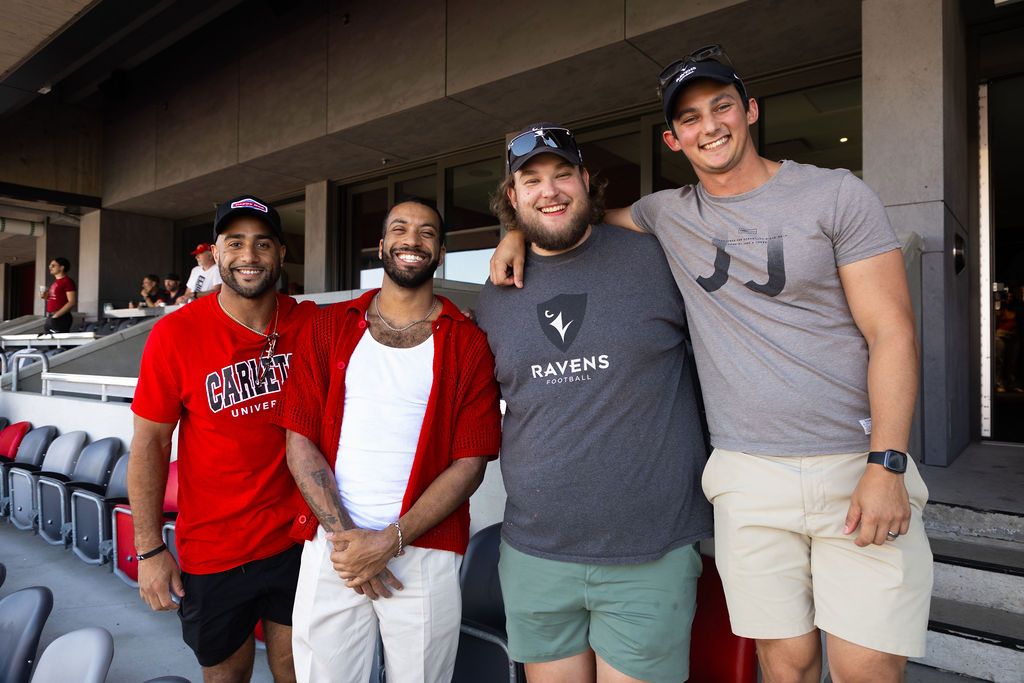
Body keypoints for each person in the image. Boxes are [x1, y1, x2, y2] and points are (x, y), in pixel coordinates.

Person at [490, 47, 930, 683]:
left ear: (749, 111)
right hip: (746, 474)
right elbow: (573, 223)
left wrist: (888, 461)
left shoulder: (834, 193)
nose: (710, 126)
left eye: (721, 106)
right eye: (690, 118)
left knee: (867, 667)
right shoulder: (670, 215)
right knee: (786, 663)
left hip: (851, 460)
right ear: (672, 138)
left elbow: (892, 331)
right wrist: (515, 230)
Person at [476, 125, 712, 683]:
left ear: (586, 181)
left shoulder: (656, 259)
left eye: (562, 175)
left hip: (648, 551)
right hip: (536, 552)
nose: (549, 190)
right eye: (531, 180)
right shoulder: (495, 293)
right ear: (513, 199)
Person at [273, 198, 502, 683]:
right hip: (332, 547)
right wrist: (351, 543)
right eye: (400, 228)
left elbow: (471, 460)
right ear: (381, 245)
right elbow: (300, 439)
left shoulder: (468, 342)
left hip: (425, 552)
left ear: (439, 250)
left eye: (426, 232)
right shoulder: (328, 326)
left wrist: (390, 541)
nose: (412, 240)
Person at [128, 195, 318, 683]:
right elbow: (150, 444)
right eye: (235, 243)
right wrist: (149, 551)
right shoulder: (175, 335)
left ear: (281, 253)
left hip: (299, 539)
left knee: (296, 667)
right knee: (226, 673)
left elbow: (393, 309)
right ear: (215, 253)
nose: (248, 256)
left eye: (262, 243)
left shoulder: (311, 324)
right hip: (216, 547)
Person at [40, 257, 77, 333]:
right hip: (52, 316)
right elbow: (56, 299)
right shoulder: (56, 282)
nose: (50, 267)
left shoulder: (67, 281)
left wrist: (56, 316)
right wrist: (46, 297)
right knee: (51, 342)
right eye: (49, 266)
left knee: (58, 343)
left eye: (53, 265)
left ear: (61, 267)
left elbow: (72, 301)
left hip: (60, 317)